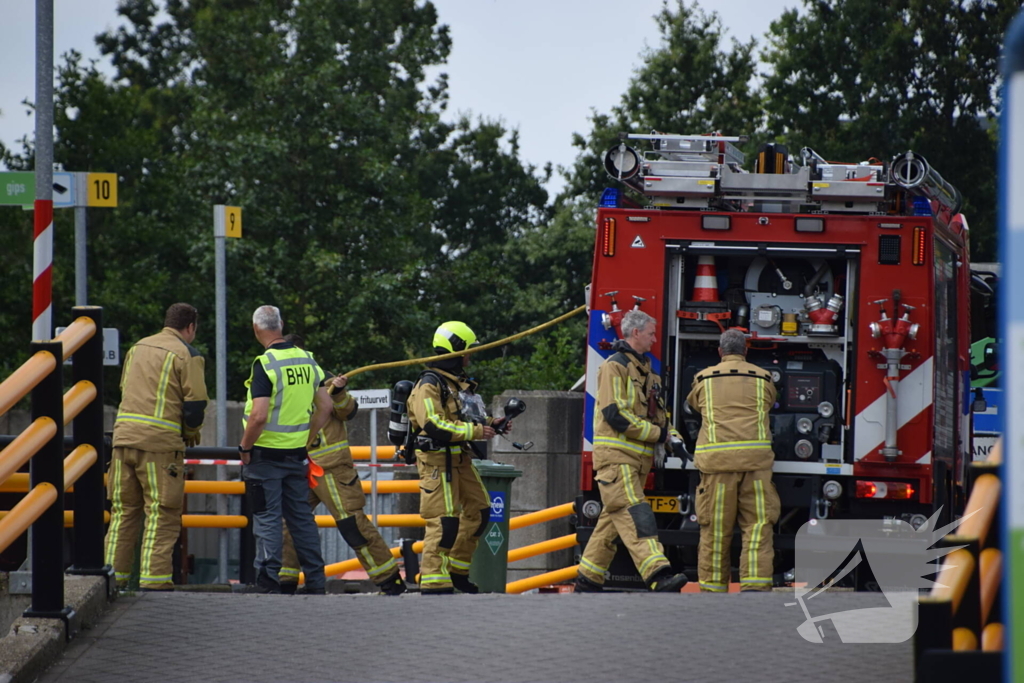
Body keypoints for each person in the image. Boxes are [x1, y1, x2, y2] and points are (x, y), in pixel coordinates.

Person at [279, 334, 406, 596]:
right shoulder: (283, 382)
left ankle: (389, 580)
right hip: (301, 466)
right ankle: (285, 582)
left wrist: (336, 392)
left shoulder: (323, 379)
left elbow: (348, 410)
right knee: (288, 522)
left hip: (332, 468)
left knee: (352, 524)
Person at [575, 309, 689, 593]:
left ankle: (588, 580)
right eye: (651, 333)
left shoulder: (648, 372)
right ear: (635, 333)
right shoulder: (615, 366)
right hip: (617, 461)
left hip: (637, 463)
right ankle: (658, 573)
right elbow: (615, 414)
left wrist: (674, 439)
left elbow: (661, 418)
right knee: (635, 513)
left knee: (611, 523)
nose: (654, 338)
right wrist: (659, 435)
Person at [104, 303, 208, 590]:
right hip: (160, 446)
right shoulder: (187, 354)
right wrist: (190, 432)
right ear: (190, 327)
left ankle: (112, 583)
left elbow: (126, 390)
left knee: (123, 514)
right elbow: (196, 406)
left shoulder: (137, 348)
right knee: (162, 513)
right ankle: (155, 583)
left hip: (123, 440)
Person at [408, 321, 508, 594]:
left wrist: (491, 422)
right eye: (466, 351)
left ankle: (456, 572)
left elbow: (465, 416)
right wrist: (476, 431)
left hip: (459, 459)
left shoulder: (456, 384)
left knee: (481, 513)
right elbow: (433, 424)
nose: (469, 357)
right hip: (437, 462)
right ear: (453, 352)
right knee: (444, 521)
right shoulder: (429, 384)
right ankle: (432, 579)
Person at [239, 306, 331, 594]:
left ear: (256, 329)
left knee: (266, 517)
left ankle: (267, 582)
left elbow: (258, 416)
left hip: (264, 456)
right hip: (296, 455)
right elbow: (326, 406)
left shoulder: (265, 364)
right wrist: (307, 437)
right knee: (301, 518)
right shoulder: (308, 360)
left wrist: (244, 447)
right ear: (281, 325)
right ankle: (316, 582)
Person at [686, 328, 780, 592]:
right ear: (745, 351)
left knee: (715, 532)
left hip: (717, 467)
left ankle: (714, 593)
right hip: (756, 467)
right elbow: (771, 403)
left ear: (720, 352)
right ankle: (755, 589)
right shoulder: (764, 378)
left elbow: (694, 405)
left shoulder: (703, 379)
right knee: (758, 528)